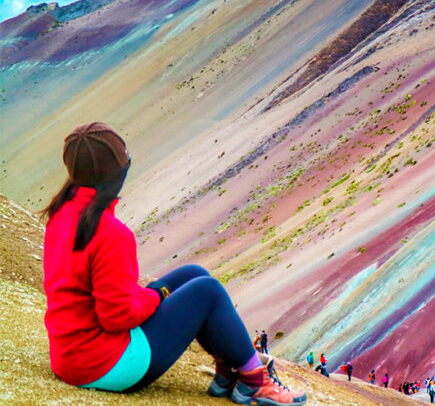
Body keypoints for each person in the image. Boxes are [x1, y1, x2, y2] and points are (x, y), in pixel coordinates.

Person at [40, 123, 305, 405]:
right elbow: (116, 317)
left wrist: (152, 294)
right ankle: (255, 380)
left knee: (194, 274)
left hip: (70, 356)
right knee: (208, 291)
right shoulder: (110, 233)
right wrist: (155, 295)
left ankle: (229, 372)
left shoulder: (62, 214)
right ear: (120, 173)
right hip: (105, 364)